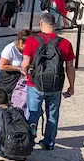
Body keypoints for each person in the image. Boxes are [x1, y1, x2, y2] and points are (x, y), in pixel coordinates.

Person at [20, 12, 75, 150]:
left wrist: (26, 73)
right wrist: (71, 86)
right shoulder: (65, 43)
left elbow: (25, 63)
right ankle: (49, 142)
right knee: (53, 114)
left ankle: (30, 141)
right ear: (54, 26)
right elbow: (69, 66)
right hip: (56, 85)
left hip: (35, 84)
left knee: (33, 113)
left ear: (41, 24)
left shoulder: (32, 40)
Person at [0, 29, 32, 109]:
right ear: (21, 42)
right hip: (9, 78)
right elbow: (2, 66)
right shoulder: (9, 49)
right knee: (7, 102)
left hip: (21, 79)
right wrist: (18, 69)